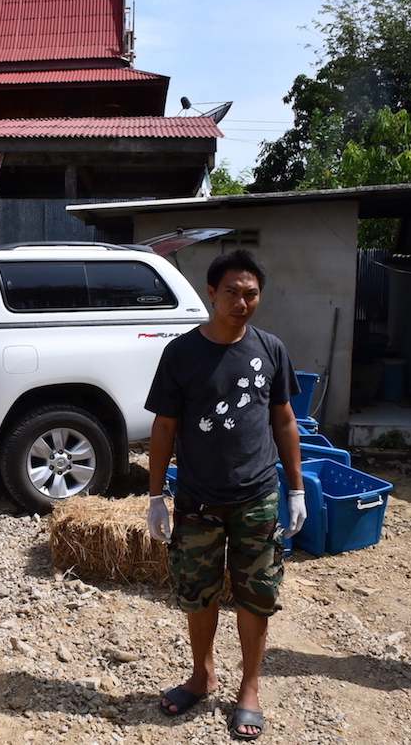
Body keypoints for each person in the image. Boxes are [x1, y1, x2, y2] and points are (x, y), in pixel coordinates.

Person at [144, 249, 305, 741]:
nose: (241, 302)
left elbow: (284, 420)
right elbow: (164, 426)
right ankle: (202, 675)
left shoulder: (271, 348)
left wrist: (296, 489)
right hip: (198, 500)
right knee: (198, 594)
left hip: (257, 498)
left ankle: (249, 688)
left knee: (257, 596)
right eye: (231, 292)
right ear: (211, 293)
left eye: (250, 294)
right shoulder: (181, 353)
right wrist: (155, 496)